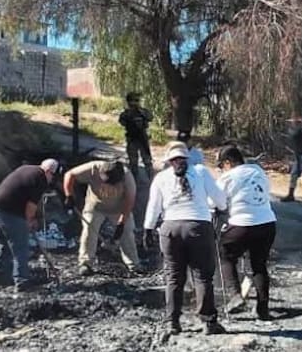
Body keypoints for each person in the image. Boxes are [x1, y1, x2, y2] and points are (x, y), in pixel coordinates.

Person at [144, 141, 228, 335]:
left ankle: (173, 322)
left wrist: (148, 229)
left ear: (169, 160)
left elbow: (154, 206)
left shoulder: (161, 178)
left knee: (174, 277)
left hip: (170, 229)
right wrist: (221, 208)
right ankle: (208, 321)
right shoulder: (201, 171)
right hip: (198, 227)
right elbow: (220, 199)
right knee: (202, 276)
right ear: (187, 157)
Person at [215, 145, 277, 320]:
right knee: (259, 265)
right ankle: (263, 309)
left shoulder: (227, 177)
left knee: (225, 254)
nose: (220, 170)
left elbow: (217, 203)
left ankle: (235, 295)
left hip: (242, 224)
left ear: (228, 163)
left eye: (221, 166)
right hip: (267, 223)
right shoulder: (258, 170)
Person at [0, 158, 58, 291]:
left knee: (4, 244)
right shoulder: (40, 178)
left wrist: (30, 218)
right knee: (21, 248)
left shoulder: (26, 168)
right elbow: (31, 206)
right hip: (9, 213)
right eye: (52, 176)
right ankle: (22, 282)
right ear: (49, 171)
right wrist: (30, 221)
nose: (51, 180)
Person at [63, 157, 139, 276]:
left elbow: (130, 201)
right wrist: (69, 195)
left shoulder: (127, 177)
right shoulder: (93, 168)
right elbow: (69, 174)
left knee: (127, 231)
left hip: (119, 208)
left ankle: (134, 265)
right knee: (89, 229)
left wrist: (121, 223)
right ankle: (85, 263)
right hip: (95, 206)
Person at [118, 93, 154, 181]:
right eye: (134, 101)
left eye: (137, 101)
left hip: (143, 139)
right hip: (132, 139)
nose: (136, 103)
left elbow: (150, 117)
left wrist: (140, 112)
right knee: (133, 163)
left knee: (147, 161)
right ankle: (134, 181)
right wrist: (131, 114)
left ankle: (152, 179)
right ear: (129, 102)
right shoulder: (126, 113)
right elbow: (122, 121)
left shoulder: (143, 112)